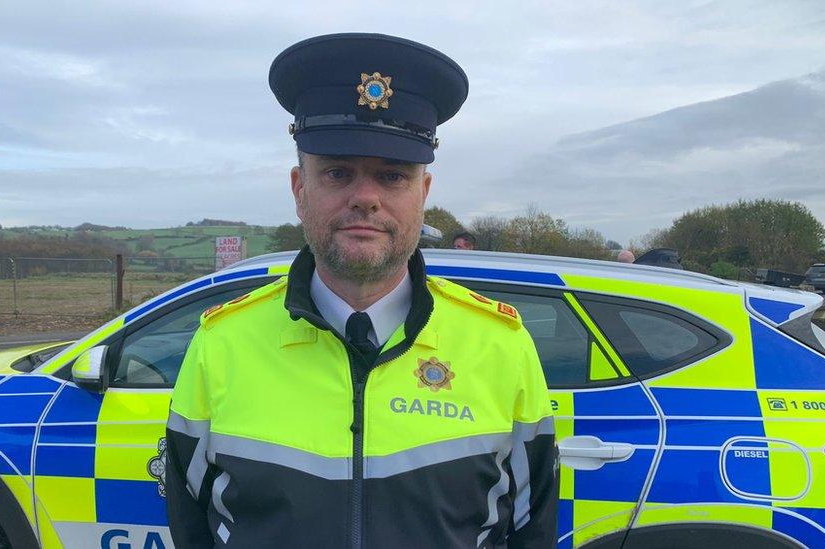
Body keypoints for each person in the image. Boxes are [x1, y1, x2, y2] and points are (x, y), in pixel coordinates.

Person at [166, 33, 558, 549]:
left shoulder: (502, 345)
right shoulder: (221, 344)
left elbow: (530, 530)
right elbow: (192, 525)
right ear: (299, 188)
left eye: (392, 175)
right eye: (338, 172)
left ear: (423, 193)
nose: (366, 198)